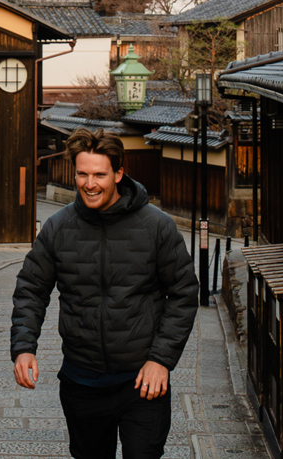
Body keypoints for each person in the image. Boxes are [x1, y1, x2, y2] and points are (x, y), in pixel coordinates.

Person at [11, 128, 198, 459]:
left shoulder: (157, 226)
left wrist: (161, 359)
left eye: (99, 174)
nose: (89, 183)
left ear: (119, 173)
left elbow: (183, 293)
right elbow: (31, 288)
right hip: (81, 381)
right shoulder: (58, 227)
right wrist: (24, 346)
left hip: (143, 380)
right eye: (82, 173)